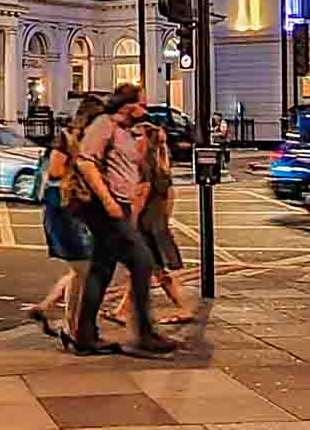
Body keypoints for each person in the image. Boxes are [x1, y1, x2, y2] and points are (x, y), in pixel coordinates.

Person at [73, 83, 178, 358]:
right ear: (126, 105)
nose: (145, 110)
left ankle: (85, 336)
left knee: (102, 268)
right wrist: (108, 200)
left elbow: (129, 168)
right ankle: (144, 334)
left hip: (117, 206)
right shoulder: (103, 124)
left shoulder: (124, 132)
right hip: (102, 207)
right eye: (141, 104)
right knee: (142, 260)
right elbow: (85, 162)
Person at [29, 95, 104, 342]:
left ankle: (60, 317)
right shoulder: (66, 139)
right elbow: (55, 171)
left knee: (81, 270)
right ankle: (70, 327)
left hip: (77, 210)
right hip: (63, 209)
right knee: (82, 268)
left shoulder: (85, 141)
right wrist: (82, 165)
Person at [113, 121, 193, 326]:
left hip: (146, 227)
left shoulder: (144, 166)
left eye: (136, 136)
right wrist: (164, 220)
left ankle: (183, 308)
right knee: (141, 269)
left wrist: (129, 225)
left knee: (158, 271)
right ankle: (122, 310)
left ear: (146, 140)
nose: (131, 140)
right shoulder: (161, 163)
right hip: (155, 226)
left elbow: (140, 198)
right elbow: (169, 197)